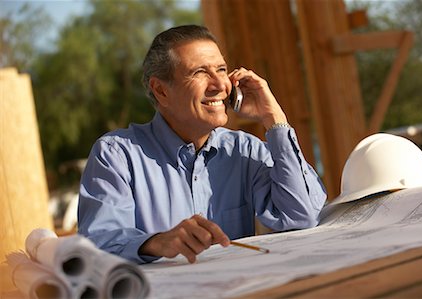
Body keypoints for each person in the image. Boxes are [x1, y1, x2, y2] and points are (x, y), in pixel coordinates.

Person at [77, 24, 327, 264]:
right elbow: (98, 244)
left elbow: (301, 216)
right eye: (199, 72)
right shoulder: (116, 154)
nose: (219, 85)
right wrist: (157, 243)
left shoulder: (245, 150)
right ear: (161, 91)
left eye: (221, 69)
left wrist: (275, 120)